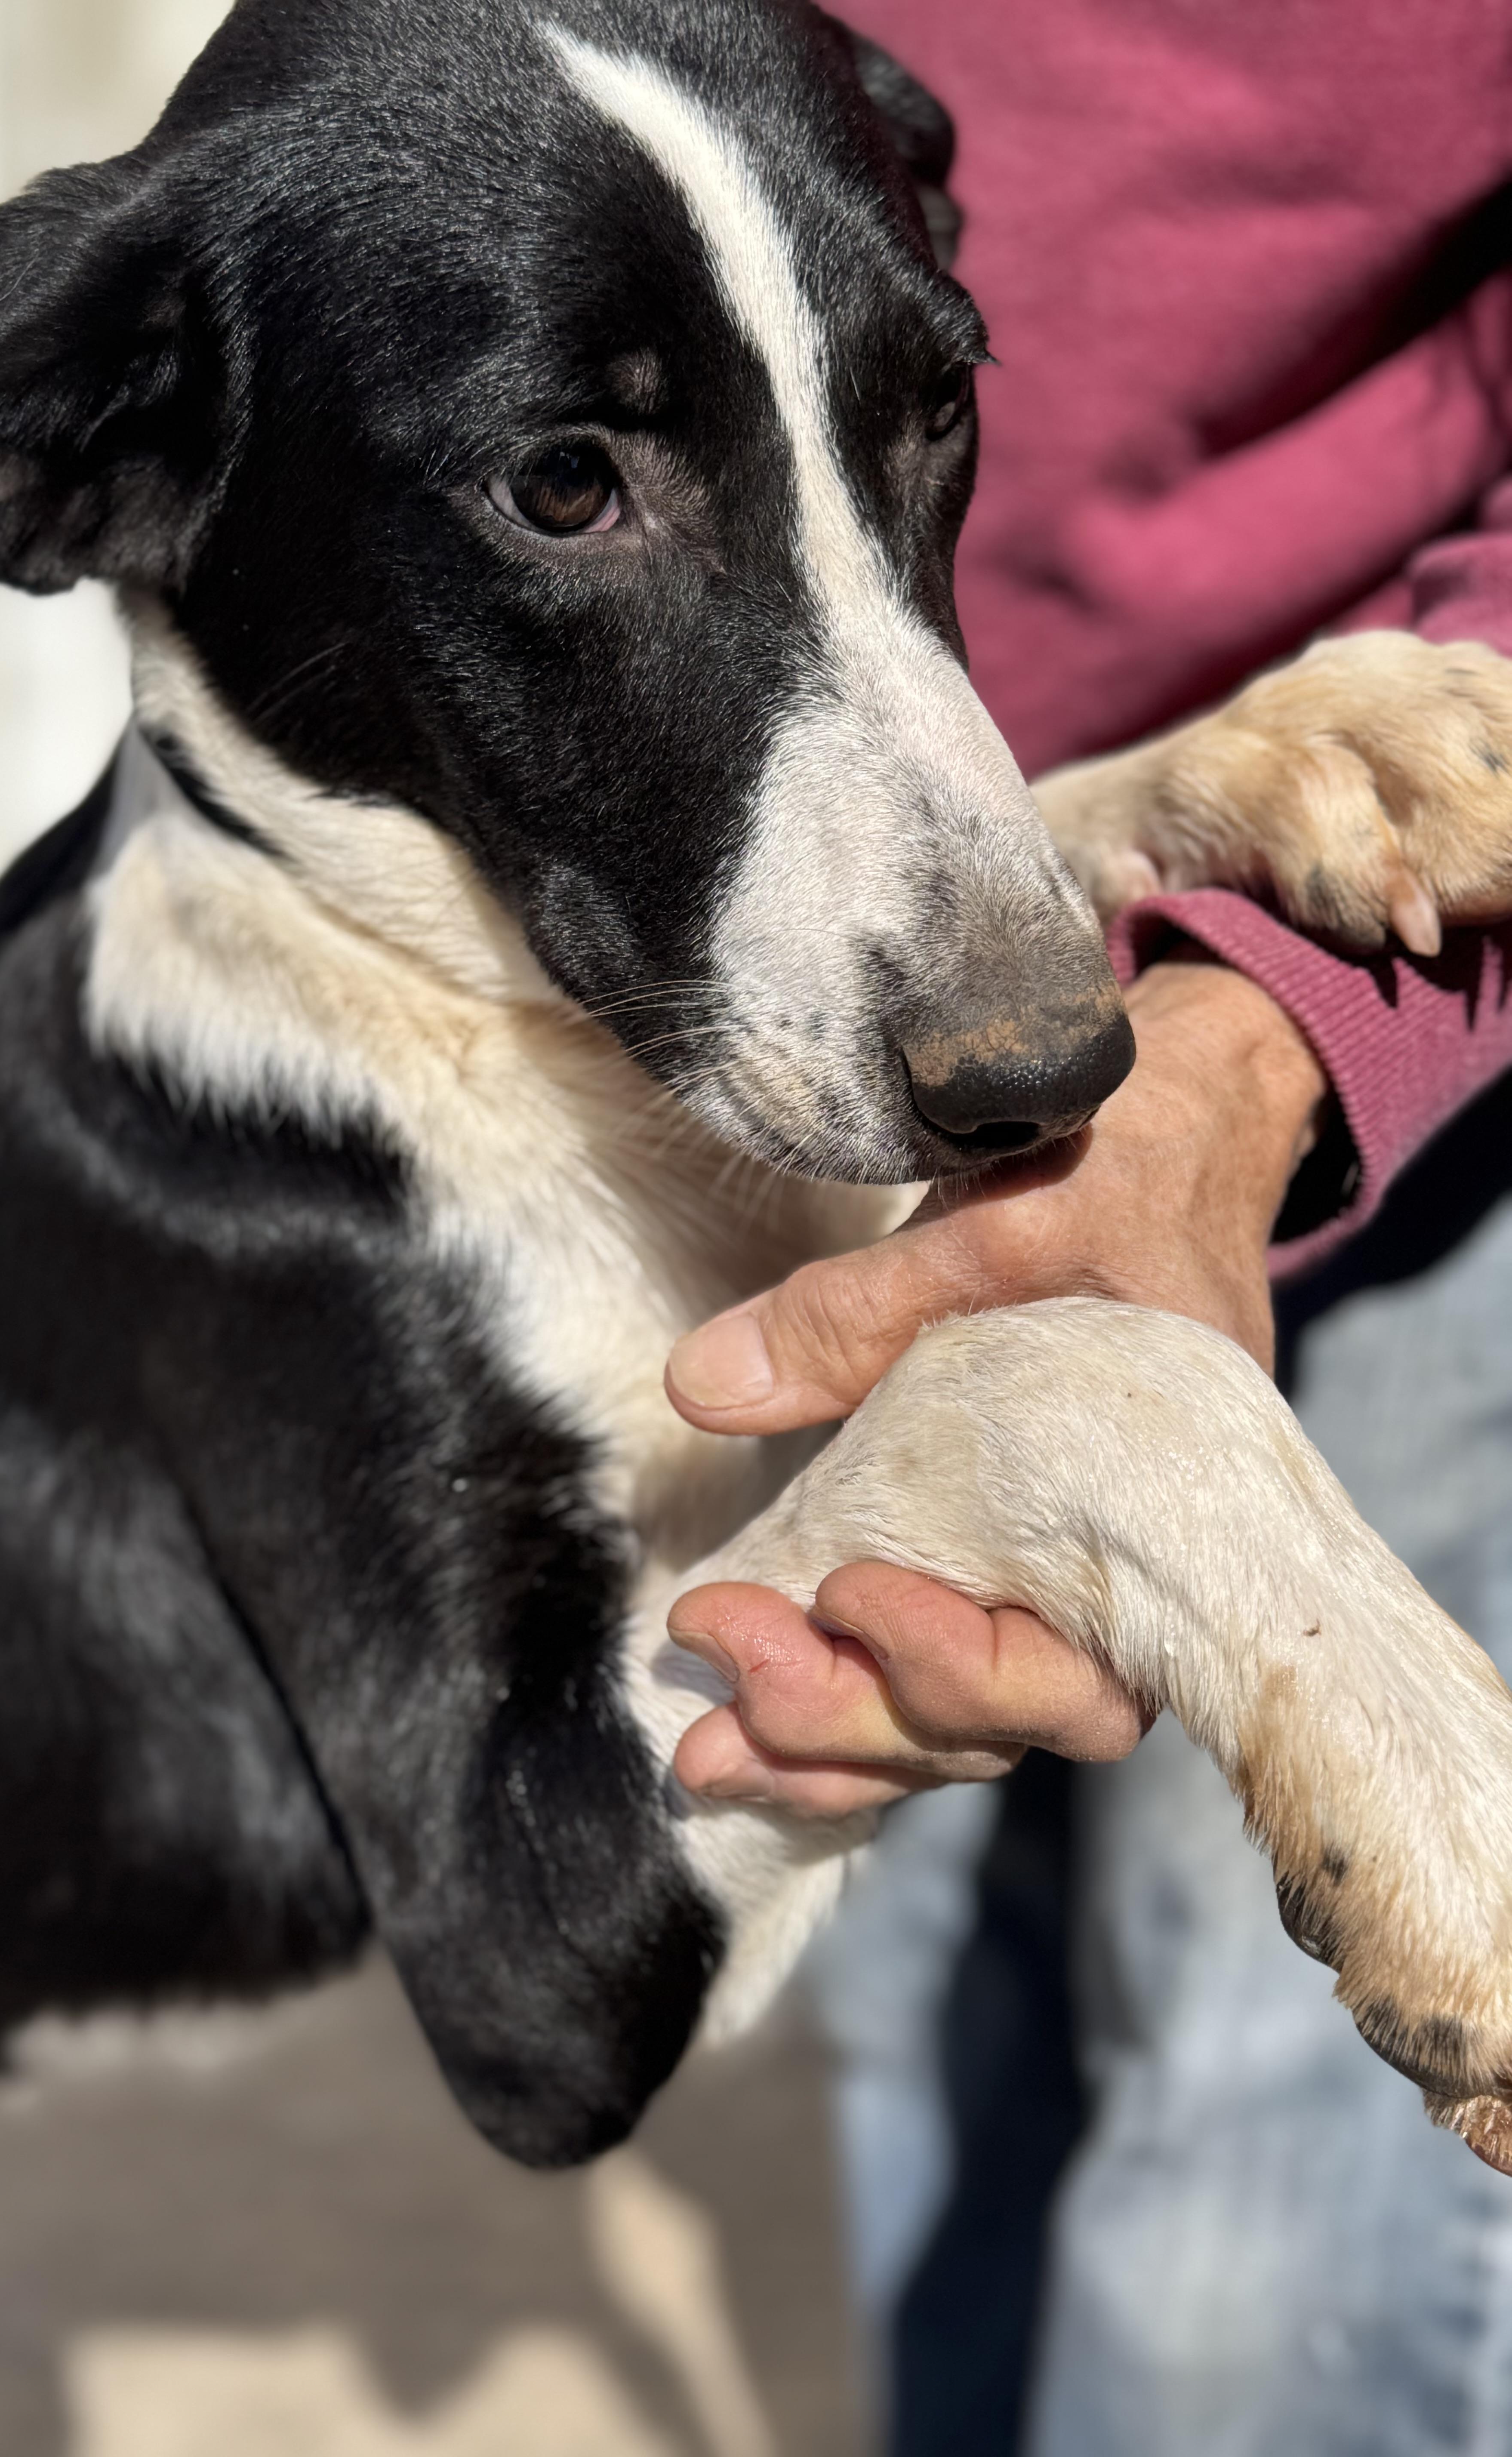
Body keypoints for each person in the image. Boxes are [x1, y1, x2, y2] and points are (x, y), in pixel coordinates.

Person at [664, 3, 1512, 2449]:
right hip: (808, 963)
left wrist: (1265, 1038)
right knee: (926, 2045)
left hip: (1402, 984)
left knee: (1269, 2199)